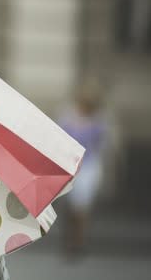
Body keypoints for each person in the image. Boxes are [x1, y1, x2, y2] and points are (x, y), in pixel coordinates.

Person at [58, 77, 111, 259]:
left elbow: (101, 145)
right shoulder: (69, 117)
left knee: (82, 206)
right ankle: (69, 238)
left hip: (88, 167)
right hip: (71, 166)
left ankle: (78, 241)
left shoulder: (98, 121)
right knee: (70, 206)